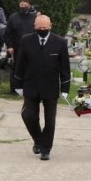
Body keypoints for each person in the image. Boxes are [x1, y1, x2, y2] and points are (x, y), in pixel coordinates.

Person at [13, 13, 71, 161]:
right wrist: (18, 83)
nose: (42, 30)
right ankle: (38, 139)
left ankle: (46, 149)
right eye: (39, 28)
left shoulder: (60, 42)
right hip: (31, 85)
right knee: (28, 115)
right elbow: (20, 64)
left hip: (50, 87)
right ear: (35, 27)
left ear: (50, 26)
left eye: (45, 27)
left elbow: (65, 68)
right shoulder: (26, 41)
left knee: (50, 120)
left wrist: (65, 88)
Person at [4, 0, 37, 92]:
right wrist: (9, 46)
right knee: (16, 68)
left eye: (26, 3)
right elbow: (7, 34)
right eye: (21, 4)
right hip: (17, 48)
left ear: (30, 5)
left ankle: (29, 87)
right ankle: (14, 89)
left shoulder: (34, 18)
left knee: (30, 68)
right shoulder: (13, 17)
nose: (23, 5)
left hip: (32, 48)